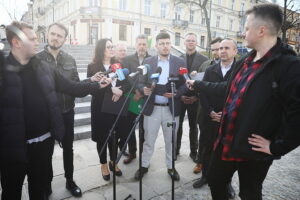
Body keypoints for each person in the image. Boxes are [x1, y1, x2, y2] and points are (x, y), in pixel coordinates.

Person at [186, 4, 300, 200]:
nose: (243, 32)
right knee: (215, 180)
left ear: (261, 30)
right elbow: (226, 88)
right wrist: (198, 84)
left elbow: (297, 114)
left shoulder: (288, 66)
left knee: (249, 193)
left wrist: (276, 147)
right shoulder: (246, 60)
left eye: (247, 28)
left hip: (253, 151)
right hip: (226, 140)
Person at [0, 21, 110, 200]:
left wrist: (97, 85)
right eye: (32, 38)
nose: (38, 42)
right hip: (13, 149)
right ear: (16, 42)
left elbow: (72, 86)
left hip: (42, 145)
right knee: (11, 192)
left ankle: (65, 181)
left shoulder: (44, 68)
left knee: (38, 191)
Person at [134, 32, 187, 181]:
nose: (165, 46)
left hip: (172, 109)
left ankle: (171, 167)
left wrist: (177, 93)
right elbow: (140, 81)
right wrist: (143, 89)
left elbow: (186, 84)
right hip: (152, 108)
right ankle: (144, 165)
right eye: (162, 43)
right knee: (148, 139)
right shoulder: (148, 62)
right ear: (156, 46)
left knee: (170, 140)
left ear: (171, 45)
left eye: (167, 43)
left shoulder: (180, 62)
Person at [37, 22, 82, 197]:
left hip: (67, 112)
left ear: (65, 39)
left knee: (68, 149)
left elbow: (76, 84)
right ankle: (46, 184)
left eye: (60, 35)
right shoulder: (37, 59)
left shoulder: (70, 59)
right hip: (45, 115)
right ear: (47, 34)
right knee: (46, 151)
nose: (55, 38)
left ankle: (70, 181)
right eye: (53, 34)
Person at [192, 38, 237, 199]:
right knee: (207, 148)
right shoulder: (211, 70)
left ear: (235, 51)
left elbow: (239, 95)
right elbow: (203, 92)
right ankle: (205, 176)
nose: (222, 51)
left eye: (226, 48)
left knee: (226, 151)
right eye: (220, 48)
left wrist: (225, 114)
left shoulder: (240, 70)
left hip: (229, 119)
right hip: (210, 118)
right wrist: (210, 112)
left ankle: (227, 183)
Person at [87, 38, 130, 181]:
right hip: (100, 107)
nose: (112, 49)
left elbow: (127, 83)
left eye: (112, 46)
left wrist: (121, 92)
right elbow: (92, 89)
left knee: (115, 135)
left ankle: (113, 161)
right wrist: (112, 90)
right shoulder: (93, 67)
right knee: (102, 137)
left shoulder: (118, 65)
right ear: (101, 49)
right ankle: (103, 164)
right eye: (108, 47)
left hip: (115, 106)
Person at [176, 33, 208, 163]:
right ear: (184, 42)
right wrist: (181, 95)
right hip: (181, 98)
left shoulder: (204, 59)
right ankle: (176, 150)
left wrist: (196, 97)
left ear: (196, 43)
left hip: (196, 99)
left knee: (194, 126)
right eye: (188, 40)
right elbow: (176, 79)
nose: (190, 42)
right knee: (178, 126)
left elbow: (206, 80)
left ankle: (194, 152)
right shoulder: (178, 59)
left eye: (193, 41)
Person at [193, 37, 222, 174]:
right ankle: (200, 163)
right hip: (205, 110)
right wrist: (194, 78)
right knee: (204, 139)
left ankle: (217, 170)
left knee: (220, 143)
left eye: (219, 49)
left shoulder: (233, 67)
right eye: (214, 49)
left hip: (222, 113)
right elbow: (199, 89)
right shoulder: (205, 65)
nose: (216, 52)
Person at [121, 34, 151, 164]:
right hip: (132, 98)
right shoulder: (127, 59)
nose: (142, 46)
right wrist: (136, 92)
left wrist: (142, 93)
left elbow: (152, 79)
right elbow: (127, 79)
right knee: (130, 128)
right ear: (135, 45)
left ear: (147, 46)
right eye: (140, 44)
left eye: (144, 44)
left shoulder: (152, 59)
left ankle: (144, 156)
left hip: (146, 99)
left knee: (145, 129)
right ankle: (132, 153)